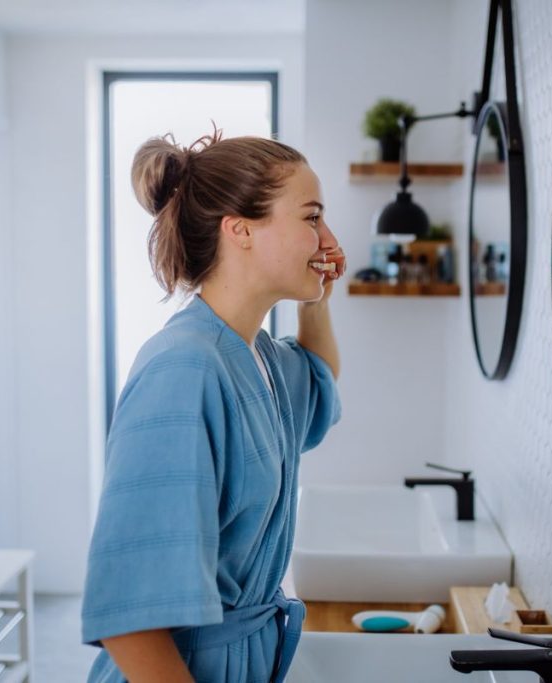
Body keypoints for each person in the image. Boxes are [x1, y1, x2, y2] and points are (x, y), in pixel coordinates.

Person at [81, 127, 345, 683]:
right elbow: (130, 622)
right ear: (241, 229)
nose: (328, 238)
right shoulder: (182, 371)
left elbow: (319, 387)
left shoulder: (260, 356)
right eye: (311, 217)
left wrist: (319, 296)